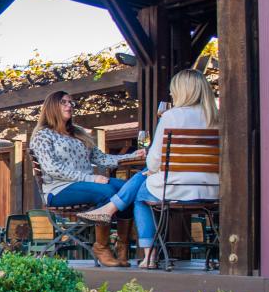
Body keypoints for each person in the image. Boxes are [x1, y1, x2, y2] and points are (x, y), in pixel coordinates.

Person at [75, 70, 219, 268]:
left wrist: (152, 169)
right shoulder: (218, 117)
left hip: (175, 187)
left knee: (141, 193)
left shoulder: (171, 117)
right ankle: (110, 209)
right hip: (213, 189)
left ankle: (148, 256)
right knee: (144, 178)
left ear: (182, 91)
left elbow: (153, 163)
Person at [29, 91, 145, 267]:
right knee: (106, 191)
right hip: (59, 189)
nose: (69, 105)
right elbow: (52, 168)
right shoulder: (43, 135)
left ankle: (122, 245)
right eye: (64, 102)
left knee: (127, 187)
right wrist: (89, 178)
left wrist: (131, 156)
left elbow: (102, 159)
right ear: (52, 106)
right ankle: (101, 246)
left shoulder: (79, 133)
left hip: (85, 184)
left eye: (71, 102)